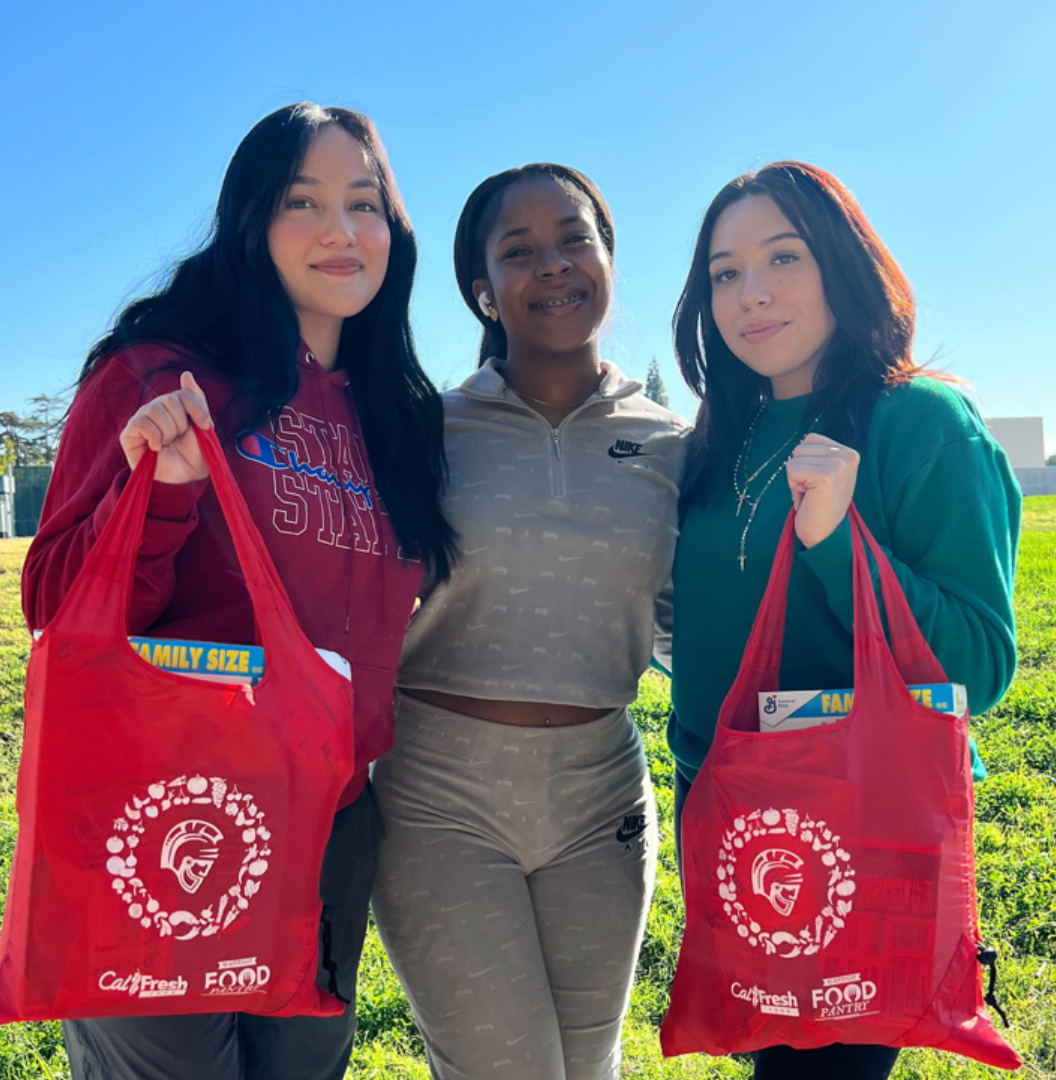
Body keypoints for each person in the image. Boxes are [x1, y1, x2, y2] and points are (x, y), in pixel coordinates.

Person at [21, 102, 454, 1080]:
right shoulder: (162, 374)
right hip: (162, 813)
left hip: (331, 825)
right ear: (251, 220)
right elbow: (56, 603)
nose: (343, 232)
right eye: (305, 202)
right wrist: (162, 496)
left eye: (367, 202)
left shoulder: (400, 417)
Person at [665, 160, 1021, 1080]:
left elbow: (979, 662)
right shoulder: (721, 435)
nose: (752, 294)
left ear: (844, 264)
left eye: (784, 257)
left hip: (866, 825)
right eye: (725, 272)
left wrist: (836, 543)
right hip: (733, 816)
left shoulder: (921, 420)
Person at [370, 164, 689, 1080]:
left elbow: (681, 622)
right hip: (439, 798)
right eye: (518, 250)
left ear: (609, 260)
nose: (552, 264)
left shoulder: (672, 444)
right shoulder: (421, 430)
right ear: (482, 288)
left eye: (573, 239)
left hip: (601, 799)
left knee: (588, 1068)